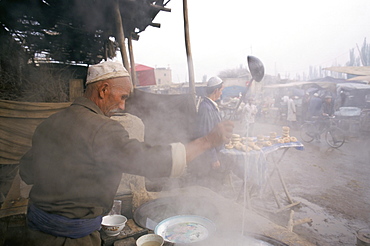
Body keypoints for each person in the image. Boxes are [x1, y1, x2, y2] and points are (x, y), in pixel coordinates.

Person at [19, 61, 233, 246]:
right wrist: (207, 141)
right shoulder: (102, 128)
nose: (122, 106)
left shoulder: (50, 123)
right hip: (69, 239)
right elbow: (148, 160)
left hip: (36, 231)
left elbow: (27, 171)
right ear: (103, 90)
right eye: (121, 97)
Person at [188, 76, 225, 188]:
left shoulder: (212, 106)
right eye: (221, 91)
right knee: (207, 184)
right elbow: (205, 135)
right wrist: (213, 159)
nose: (221, 93)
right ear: (216, 91)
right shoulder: (206, 108)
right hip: (207, 158)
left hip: (214, 152)